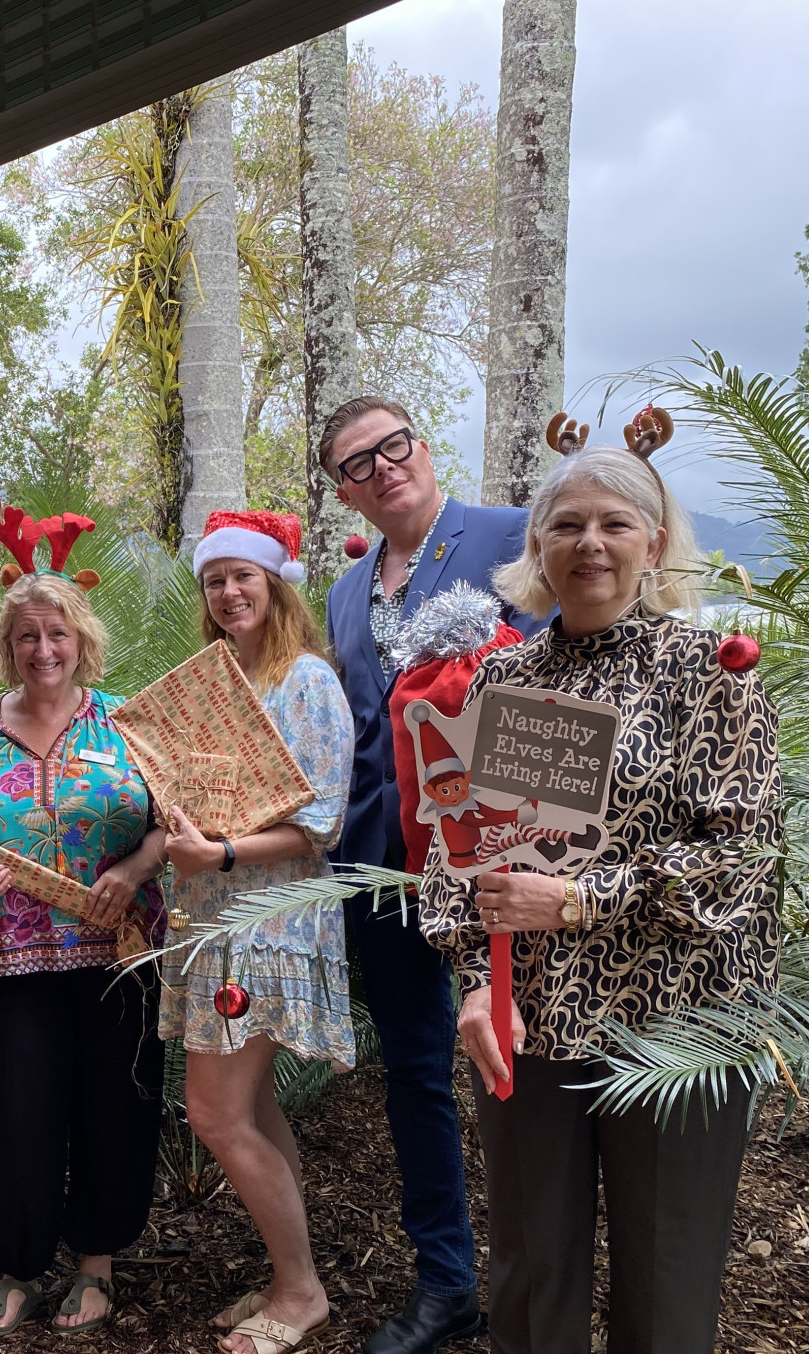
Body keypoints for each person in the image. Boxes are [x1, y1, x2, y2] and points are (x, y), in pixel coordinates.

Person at [420, 429, 780, 1354]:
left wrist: (579, 898)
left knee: (667, 1274)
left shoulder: (714, 675)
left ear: (653, 543)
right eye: (567, 524)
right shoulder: (504, 677)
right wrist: (471, 983)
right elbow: (467, 847)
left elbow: (744, 856)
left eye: (616, 523)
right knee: (534, 1270)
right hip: (530, 1013)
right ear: (536, 546)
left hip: (679, 1019)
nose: (590, 543)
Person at [321, 395, 544, 1354]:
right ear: (342, 491)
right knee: (415, 1074)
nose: (382, 469)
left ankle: (541, 1281)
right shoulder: (344, 591)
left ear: (422, 444)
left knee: (529, 1063)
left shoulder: (509, 536)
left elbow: (563, 678)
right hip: (383, 868)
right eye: (356, 465)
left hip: (507, 860)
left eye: (392, 446)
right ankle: (447, 1281)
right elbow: (363, 733)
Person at [0, 568, 169, 1338]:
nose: (44, 648)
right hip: (10, 956)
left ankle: (96, 1261)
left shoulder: (129, 722)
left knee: (113, 1106)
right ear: (8, 644)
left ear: (82, 641)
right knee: (16, 1112)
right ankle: (20, 1264)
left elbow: (178, 823)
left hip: (121, 948)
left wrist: (134, 868)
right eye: (28, 634)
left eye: (58, 632)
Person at [159, 513, 355, 1354]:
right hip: (213, 913)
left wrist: (221, 849)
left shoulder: (304, 679)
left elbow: (324, 820)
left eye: (244, 575)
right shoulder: (215, 682)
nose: (229, 591)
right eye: (214, 580)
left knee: (213, 1112)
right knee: (249, 1103)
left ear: (276, 582)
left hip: (266, 921)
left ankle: (302, 1290)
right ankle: (288, 1274)